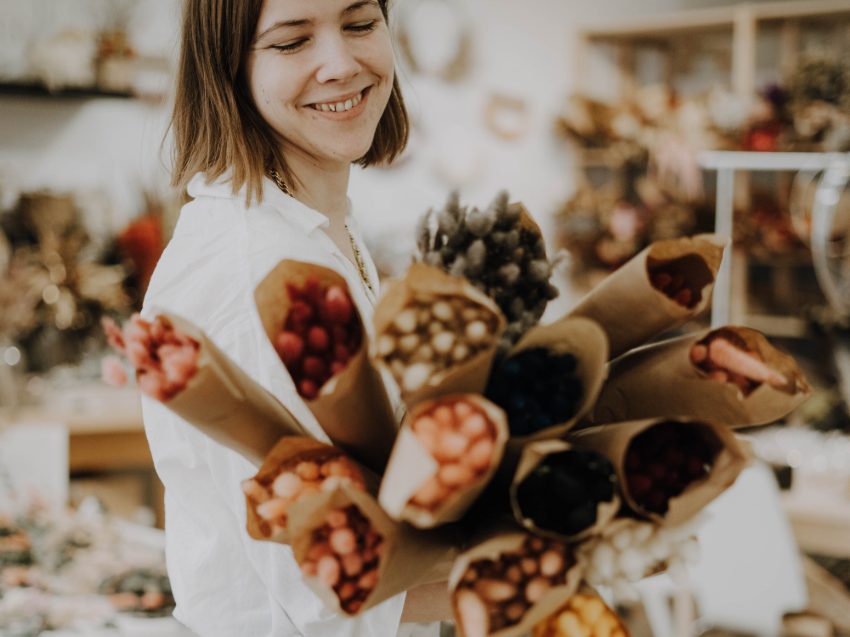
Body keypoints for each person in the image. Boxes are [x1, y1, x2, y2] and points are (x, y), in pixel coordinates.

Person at [141, 0, 452, 635]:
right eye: (291, 42)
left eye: (360, 24)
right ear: (229, 68)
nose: (341, 64)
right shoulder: (254, 270)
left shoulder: (319, 226)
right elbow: (334, 601)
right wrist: (567, 556)